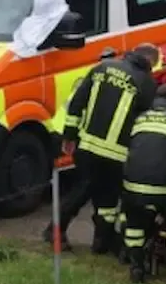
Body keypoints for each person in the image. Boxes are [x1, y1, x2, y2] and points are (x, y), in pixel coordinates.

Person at [62, 43, 159, 255]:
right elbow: (142, 120)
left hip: (87, 145)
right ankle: (79, 235)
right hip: (117, 152)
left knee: (84, 190)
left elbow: (77, 102)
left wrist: (69, 135)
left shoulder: (102, 67)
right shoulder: (147, 83)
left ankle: (99, 241)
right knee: (109, 197)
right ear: (150, 61)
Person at [120, 83, 166, 284]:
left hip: (132, 184)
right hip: (164, 187)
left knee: (134, 227)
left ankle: (136, 267)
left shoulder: (140, 118)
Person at [42, 46, 117, 251]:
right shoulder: (101, 84)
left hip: (68, 135)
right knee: (83, 188)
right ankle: (54, 231)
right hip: (70, 139)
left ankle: (102, 240)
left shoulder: (92, 77)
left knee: (94, 187)